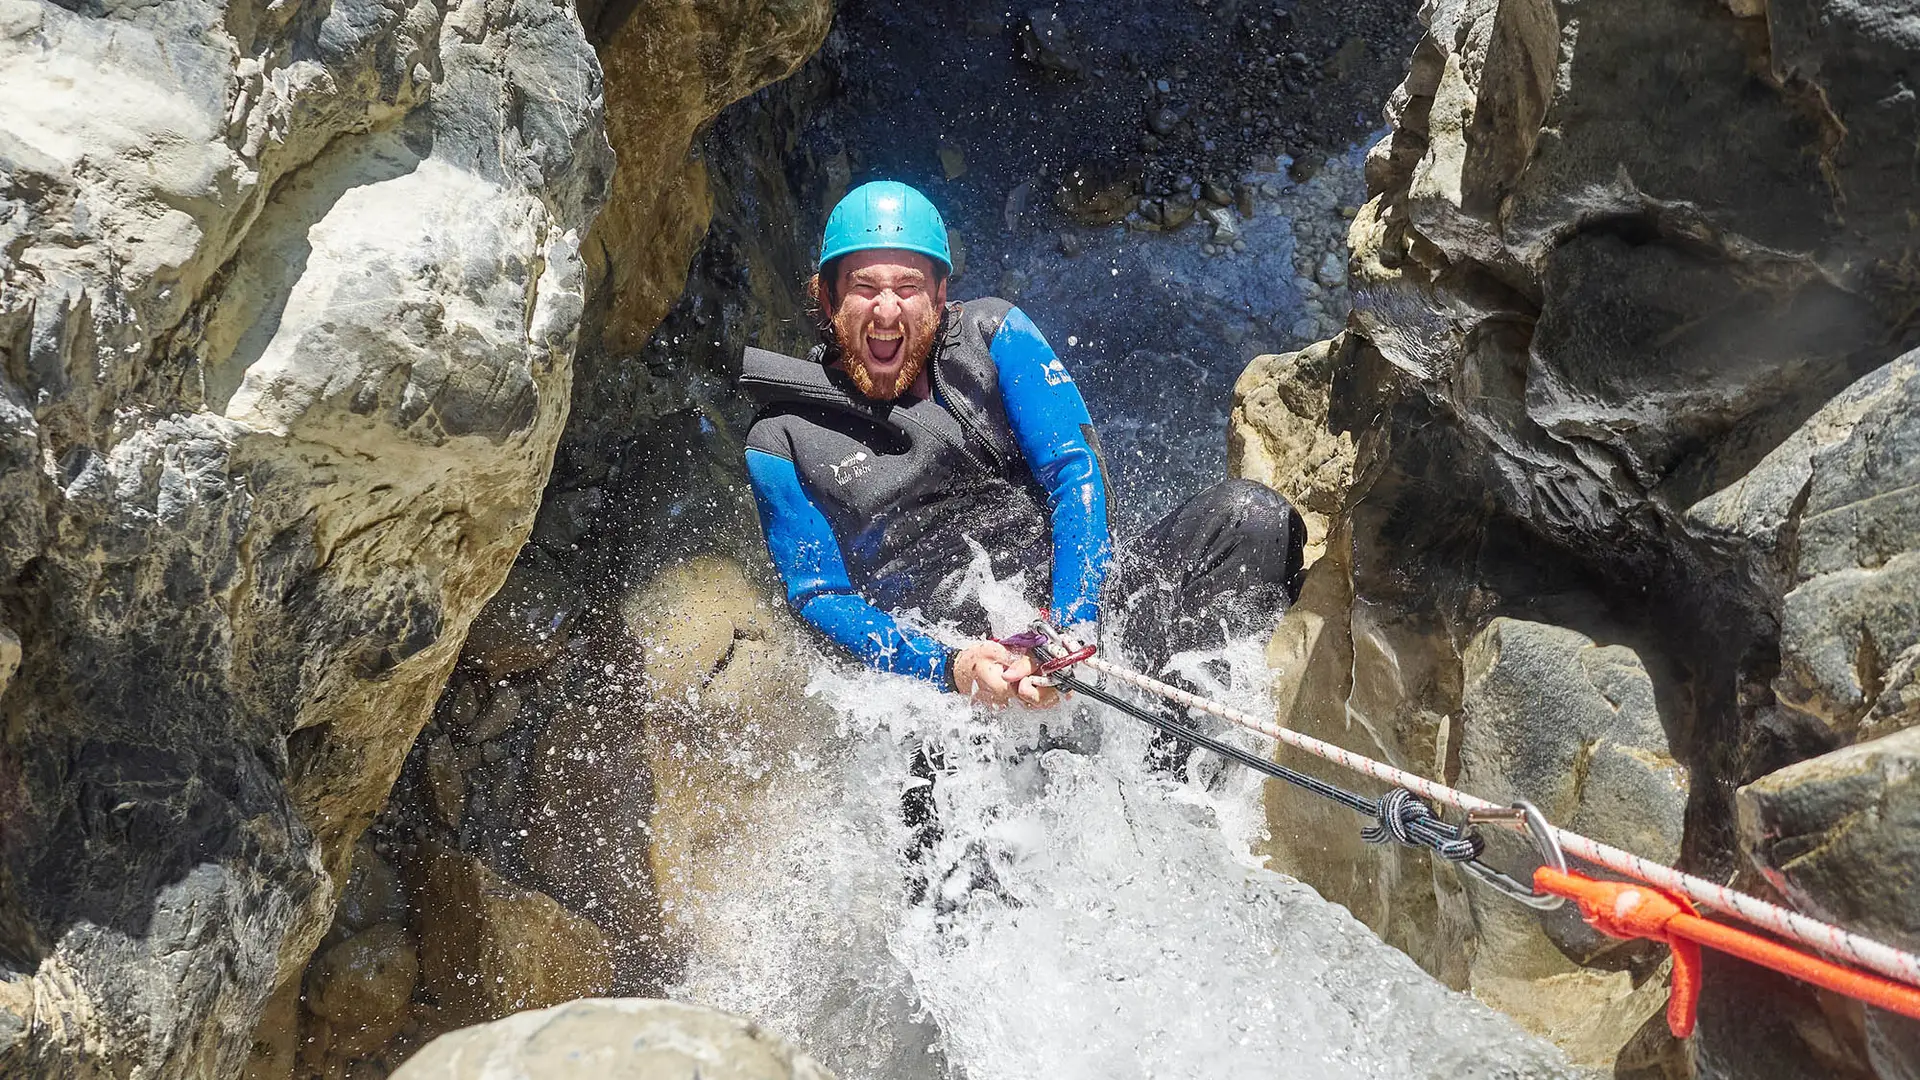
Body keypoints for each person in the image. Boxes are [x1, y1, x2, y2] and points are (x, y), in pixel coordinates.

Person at [741, 180, 1305, 713]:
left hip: (1067, 618)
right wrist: (950, 667)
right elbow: (820, 598)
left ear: (940, 295)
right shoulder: (780, 438)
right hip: (943, 678)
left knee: (1252, 520)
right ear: (826, 296)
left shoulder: (993, 335)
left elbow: (1075, 472)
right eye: (864, 288)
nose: (887, 311)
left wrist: (1067, 632)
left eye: (908, 288)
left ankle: (1178, 769)